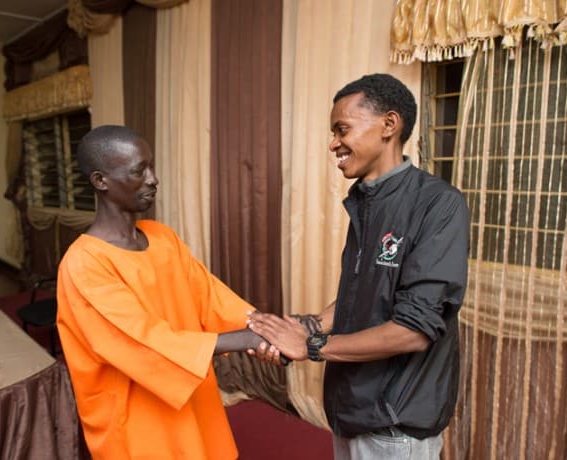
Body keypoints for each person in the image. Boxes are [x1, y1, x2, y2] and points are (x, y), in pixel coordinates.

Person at [249, 73, 470, 459]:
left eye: (342, 129)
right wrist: (311, 324)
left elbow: (413, 331)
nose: (333, 143)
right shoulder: (365, 201)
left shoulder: (438, 204)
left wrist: (312, 345)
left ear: (389, 125)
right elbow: (361, 296)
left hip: (394, 425)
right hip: (351, 409)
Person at [56, 125, 278, 460]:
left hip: (191, 394)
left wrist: (267, 327)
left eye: (152, 167)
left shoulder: (161, 236)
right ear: (100, 181)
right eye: (138, 171)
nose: (153, 179)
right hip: (137, 416)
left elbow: (210, 297)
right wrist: (248, 339)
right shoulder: (83, 264)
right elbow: (141, 341)